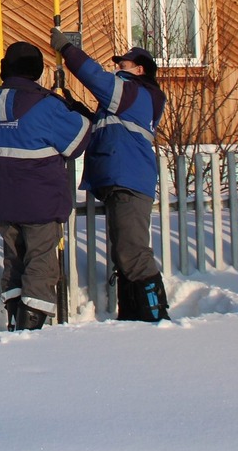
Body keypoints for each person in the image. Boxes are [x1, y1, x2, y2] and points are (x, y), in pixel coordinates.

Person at [50, 28, 171, 322]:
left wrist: (67, 49)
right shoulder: (129, 101)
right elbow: (105, 129)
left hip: (129, 181)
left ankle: (155, 317)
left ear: (139, 70)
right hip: (123, 180)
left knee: (133, 254)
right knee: (125, 256)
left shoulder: (136, 92)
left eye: (123, 64)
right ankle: (134, 317)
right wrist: (75, 106)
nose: (117, 67)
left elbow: (94, 76)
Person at [0, 41, 91, 330]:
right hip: (41, 202)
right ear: (38, 70)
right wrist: (73, 107)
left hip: (6, 201)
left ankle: (14, 318)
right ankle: (32, 330)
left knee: (14, 263)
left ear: (6, 69)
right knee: (41, 266)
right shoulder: (46, 106)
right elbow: (79, 140)